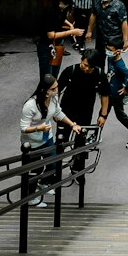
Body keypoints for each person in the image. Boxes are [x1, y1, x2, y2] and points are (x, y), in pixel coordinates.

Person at [86, 0, 128, 148]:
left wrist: (126, 89)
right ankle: (96, 134)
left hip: (116, 92)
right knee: (104, 112)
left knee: (119, 114)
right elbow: (93, 16)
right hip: (109, 90)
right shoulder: (96, 3)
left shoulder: (118, 64)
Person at [19, 74, 82, 207]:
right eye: (53, 89)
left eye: (57, 87)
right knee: (35, 169)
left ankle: (43, 182)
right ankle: (30, 197)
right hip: (32, 142)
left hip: (47, 138)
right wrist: (38, 128)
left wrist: (72, 124)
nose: (56, 91)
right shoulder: (30, 105)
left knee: (53, 162)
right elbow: (23, 128)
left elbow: (59, 113)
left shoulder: (53, 99)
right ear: (45, 90)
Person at [57, 48, 112, 139]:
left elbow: (105, 95)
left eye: (90, 67)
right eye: (85, 65)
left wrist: (103, 115)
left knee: (81, 142)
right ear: (81, 60)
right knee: (61, 140)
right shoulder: (70, 71)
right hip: (66, 111)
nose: (87, 69)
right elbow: (57, 91)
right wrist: (56, 111)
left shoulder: (99, 75)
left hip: (85, 112)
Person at [36, 0, 83, 80]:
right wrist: (71, 32)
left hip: (57, 46)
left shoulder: (61, 9)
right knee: (47, 77)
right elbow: (51, 35)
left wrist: (69, 24)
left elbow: (61, 18)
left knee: (54, 74)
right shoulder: (50, 11)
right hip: (47, 46)